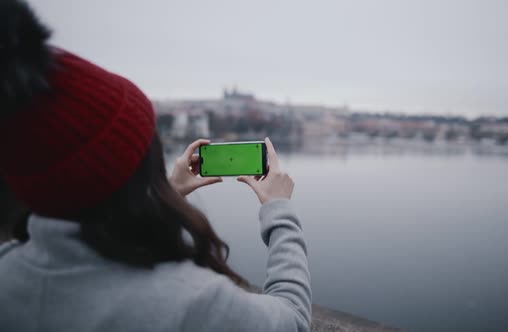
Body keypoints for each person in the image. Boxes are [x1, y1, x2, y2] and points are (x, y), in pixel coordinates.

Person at [0, 1, 311, 331]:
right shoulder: (192, 303)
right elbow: (292, 318)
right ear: (141, 167)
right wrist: (279, 211)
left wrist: (167, 195)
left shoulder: (9, 273)